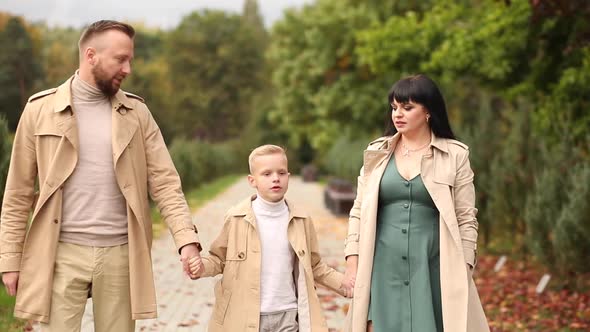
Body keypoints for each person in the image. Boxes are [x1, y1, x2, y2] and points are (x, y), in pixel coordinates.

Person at [0, 20, 204, 332]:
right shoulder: (39, 110)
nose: (128, 69)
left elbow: (165, 184)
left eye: (130, 60)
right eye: (120, 59)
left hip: (122, 254)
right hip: (60, 254)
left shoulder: (137, 114)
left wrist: (186, 240)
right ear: (91, 55)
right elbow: (17, 194)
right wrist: (10, 260)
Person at [342, 74, 489, 332]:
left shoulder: (455, 155)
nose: (397, 114)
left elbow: (467, 217)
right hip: (381, 266)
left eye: (407, 108)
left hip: (434, 266)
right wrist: (352, 264)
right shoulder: (376, 153)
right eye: (394, 107)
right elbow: (358, 212)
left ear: (429, 111)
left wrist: (464, 267)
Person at [188, 144, 353, 332]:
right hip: (247, 317)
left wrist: (344, 284)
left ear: (288, 177)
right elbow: (219, 259)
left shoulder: (301, 219)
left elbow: (314, 265)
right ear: (252, 180)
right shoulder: (236, 218)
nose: (275, 178)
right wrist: (201, 268)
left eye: (281, 173)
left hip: (288, 314)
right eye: (267, 174)